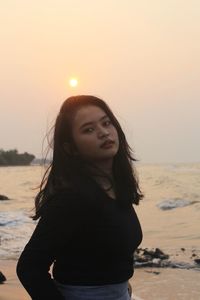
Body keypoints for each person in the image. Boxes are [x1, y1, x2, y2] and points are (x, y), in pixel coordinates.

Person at [16, 95, 143, 300]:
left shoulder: (118, 189)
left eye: (106, 123)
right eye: (88, 129)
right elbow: (29, 268)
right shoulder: (72, 199)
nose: (103, 132)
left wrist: (122, 286)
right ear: (70, 147)